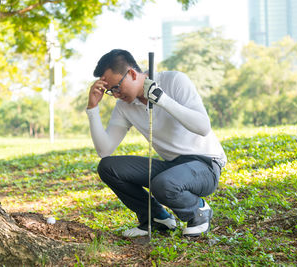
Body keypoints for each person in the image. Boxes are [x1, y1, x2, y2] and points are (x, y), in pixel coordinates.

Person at [86, 49, 227, 237]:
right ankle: (156, 217)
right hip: (172, 168)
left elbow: (203, 127)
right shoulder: (124, 107)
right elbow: (105, 150)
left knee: (164, 184)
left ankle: (198, 210)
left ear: (132, 74)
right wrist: (92, 108)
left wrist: (163, 100)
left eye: (116, 87)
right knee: (108, 167)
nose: (116, 95)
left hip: (205, 164)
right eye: (111, 91)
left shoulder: (175, 80)